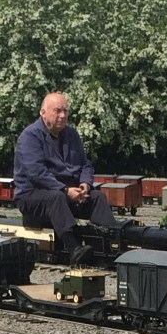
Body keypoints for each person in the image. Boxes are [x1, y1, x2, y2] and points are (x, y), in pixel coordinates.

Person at [13, 92, 118, 250]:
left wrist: (85, 184)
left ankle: (113, 241)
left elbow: (86, 164)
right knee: (56, 197)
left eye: (65, 111)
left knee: (97, 197)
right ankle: (74, 248)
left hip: (68, 192)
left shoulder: (72, 135)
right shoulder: (29, 137)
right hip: (32, 194)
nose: (62, 115)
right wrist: (65, 190)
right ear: (43, 113)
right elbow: (37, 174)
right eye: (57, 111)